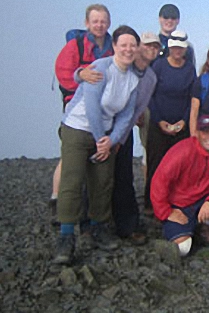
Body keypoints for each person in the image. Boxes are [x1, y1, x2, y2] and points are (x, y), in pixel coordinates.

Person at [53, 26, 141, 265]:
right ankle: (66, 236)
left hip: (104, 136)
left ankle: (97, 228)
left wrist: (109, 142)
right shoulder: (101, 68)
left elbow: (126, 115)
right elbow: (92, 106)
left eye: (132, 45)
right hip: (78, 128)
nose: (128, 49)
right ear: (114, 46)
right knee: (72, 181)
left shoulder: (133, 79)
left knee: (103, 181)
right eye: (123, 44)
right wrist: (101, 138)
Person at [50, 4, 114, 223]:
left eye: (103, 21)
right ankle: (60, 205)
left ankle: (94, 220)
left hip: (104, 114)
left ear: (109, 23)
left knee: (99, 172)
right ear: (87, 23)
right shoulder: (75, 47)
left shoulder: (113, 48)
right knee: (72, 166)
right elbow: (64, 73)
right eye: (95, 21)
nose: (99, 25)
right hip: (77, 113)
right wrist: (82, 79)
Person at [150, 115, 209, 256]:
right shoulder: (182, 151)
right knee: (183, 249)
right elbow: (159, 182)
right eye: (205, 132)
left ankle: (206, 227)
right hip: (179, 206)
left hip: (203, 201)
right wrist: (166, 212)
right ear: (197, 133)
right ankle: (173, 229)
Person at [111, 32, 161, 243]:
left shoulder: (150, 77)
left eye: (155, 46)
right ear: (138, 46)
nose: (151, 49)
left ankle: (127, 225)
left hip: (124, 131)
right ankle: (92, 225)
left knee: (124, 177)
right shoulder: (123, 66)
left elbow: (139, 107)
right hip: (105, 128)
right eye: (147, 45)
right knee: (98, 177)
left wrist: (120, 137)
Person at [145, 30, 197, 213]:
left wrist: (184, 121)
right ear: (169, 47)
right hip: (158, 124)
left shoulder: (189, 69)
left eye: (181, 48)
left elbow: (193, 97)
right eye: (174, 47)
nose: (177, 51)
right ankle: (151, 205)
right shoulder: (158, 66)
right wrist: (159, 121)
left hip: (180, 125)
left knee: (180, 166)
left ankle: (176, 202)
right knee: (156, 164)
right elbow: (149, 95)